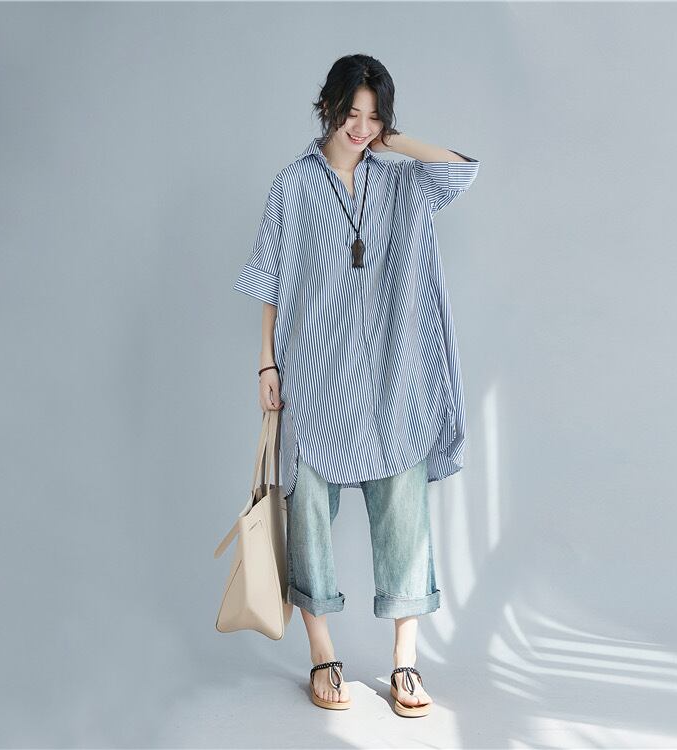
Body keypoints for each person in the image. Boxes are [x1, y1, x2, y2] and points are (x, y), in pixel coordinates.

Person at [232, 53, 480, 717]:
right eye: (351, 113)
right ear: (328, 107)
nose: (361, 127)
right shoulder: (292, 186)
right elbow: (269, 279)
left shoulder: (399, 181)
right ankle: (322, 652)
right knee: (308, 513)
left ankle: (405, 662)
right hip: (317, 376)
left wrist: (393, 141)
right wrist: (266, 363)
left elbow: (459, 170)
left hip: (393, 378)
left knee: (405, 513)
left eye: (374, 117)